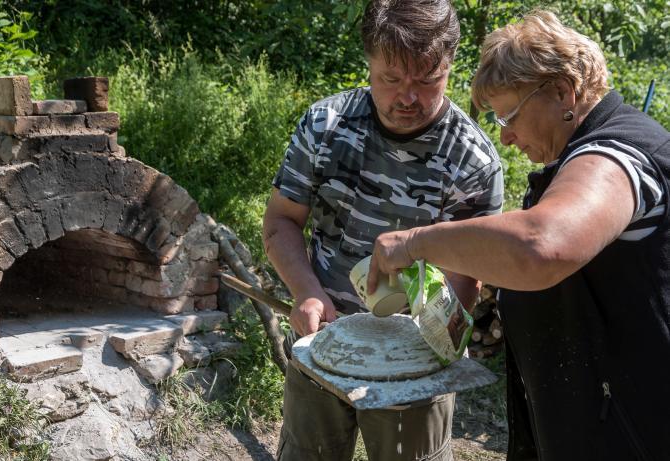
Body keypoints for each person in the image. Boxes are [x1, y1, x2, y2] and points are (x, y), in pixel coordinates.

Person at [367, 10, 670, 461]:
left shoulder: (616, 154)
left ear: (563, 91)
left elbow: (540, 246)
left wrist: (413, 243)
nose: (505, 137)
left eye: (508, 114)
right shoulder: (576, 160)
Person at [262, 0, 504, 458]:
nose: (407, 98)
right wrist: (305, 292)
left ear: (451, 67)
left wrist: (434, 344)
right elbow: (280, 221)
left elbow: (467, 276)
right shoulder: (326, 126)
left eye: (427, 81)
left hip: (418, 364)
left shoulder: (472, 158)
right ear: (369, 64)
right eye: (391, 79)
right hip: (322, 344)